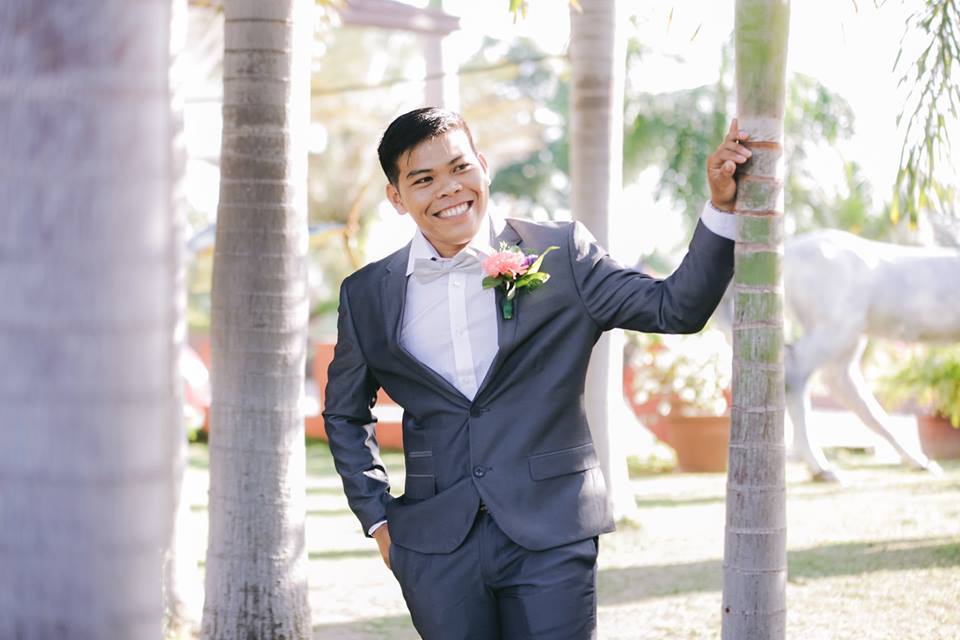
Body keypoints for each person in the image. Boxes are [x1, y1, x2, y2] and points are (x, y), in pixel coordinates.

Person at [323, 107, 751, 639]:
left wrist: (721, 209)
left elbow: (676, 308)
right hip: (434, 548)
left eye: (460, 168)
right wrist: (379, 520)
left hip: (551, 530)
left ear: (483, 166)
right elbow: (345, 413)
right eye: (424, 179)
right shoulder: (367, 293)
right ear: (397, 197)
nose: (449, 188)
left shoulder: (562, 253)